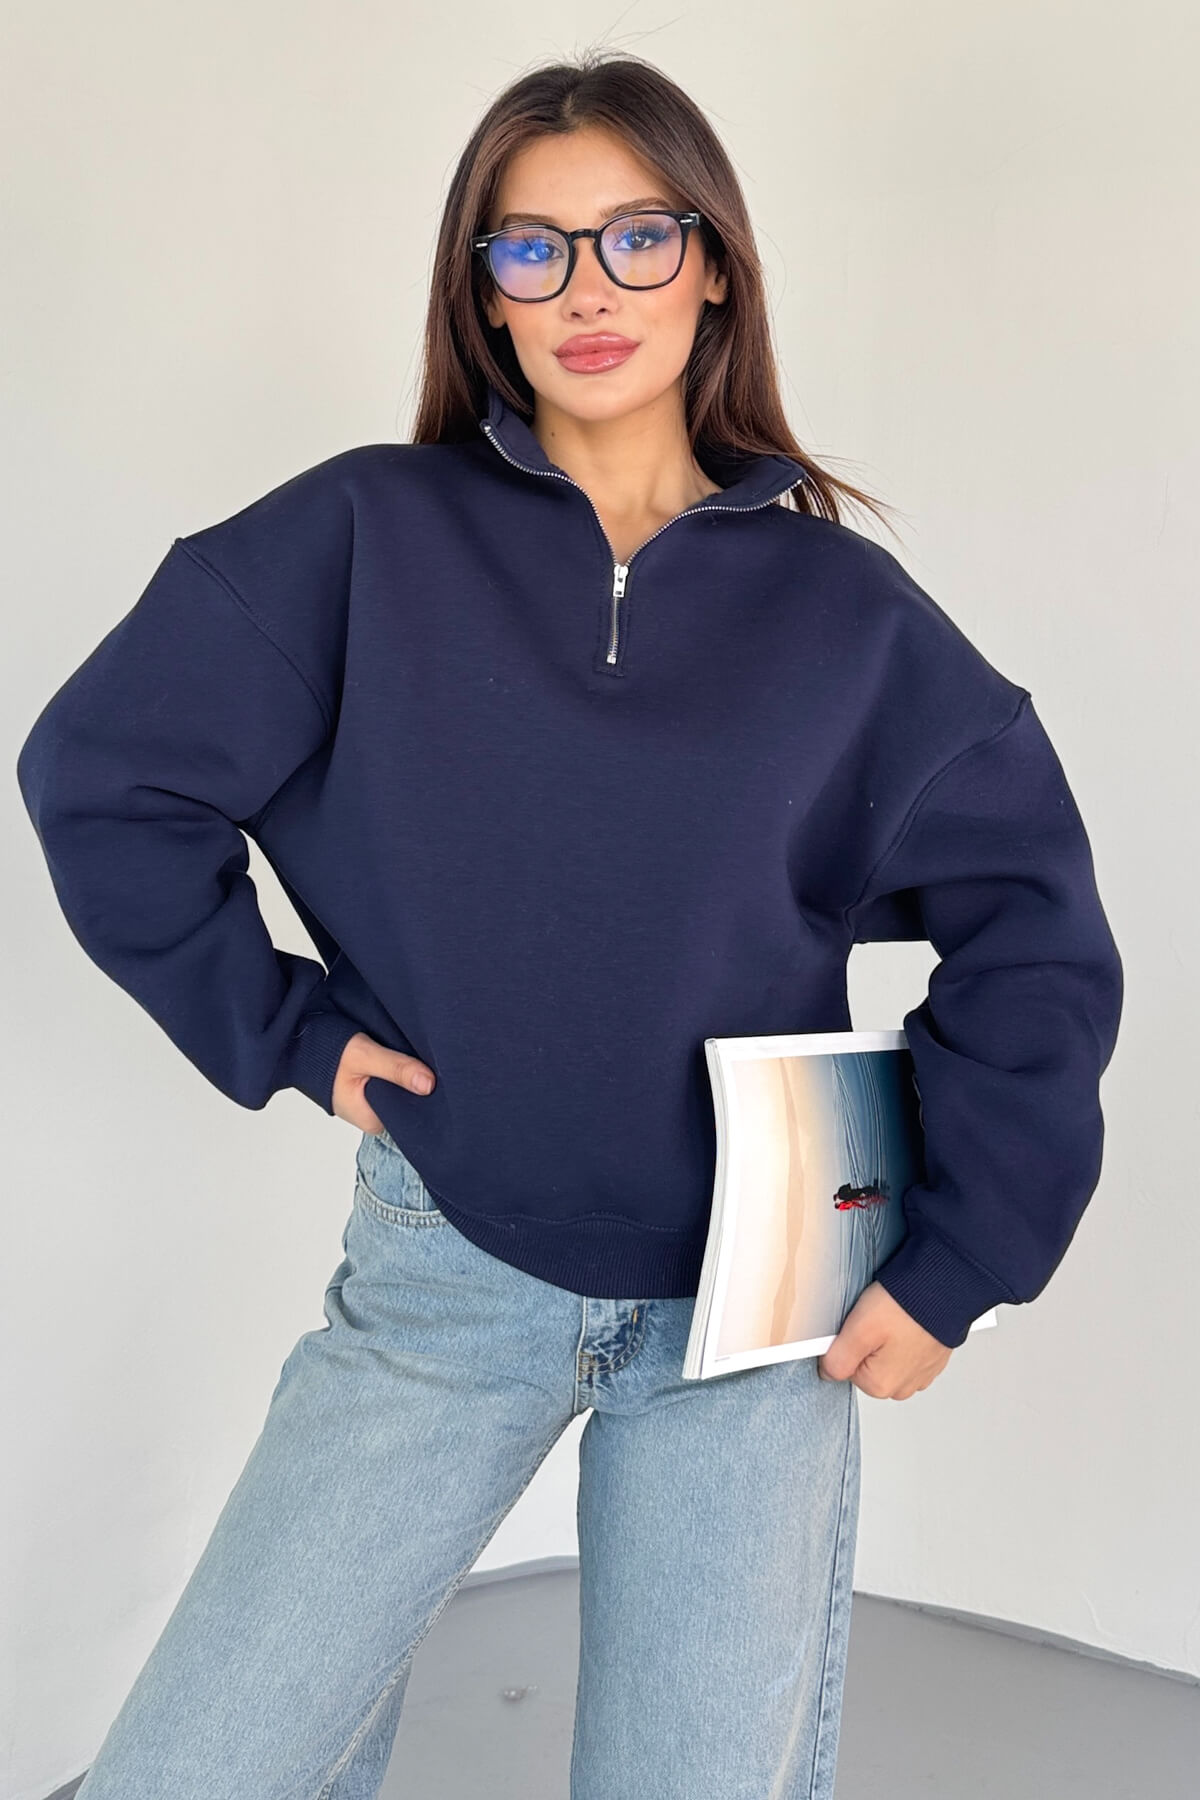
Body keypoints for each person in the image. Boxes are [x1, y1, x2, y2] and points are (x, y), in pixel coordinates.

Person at [16, 49, 1123, 1800]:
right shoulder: (364, 537)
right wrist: (293, 1034)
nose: (589, 290)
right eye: (533, 249)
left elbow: (1036, 928)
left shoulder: (846, 615)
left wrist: (964, 1255)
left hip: (757, 1300)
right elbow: (103, 773)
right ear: (485, 293)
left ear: (715, 268)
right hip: (449, 1262)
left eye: (636, 238)